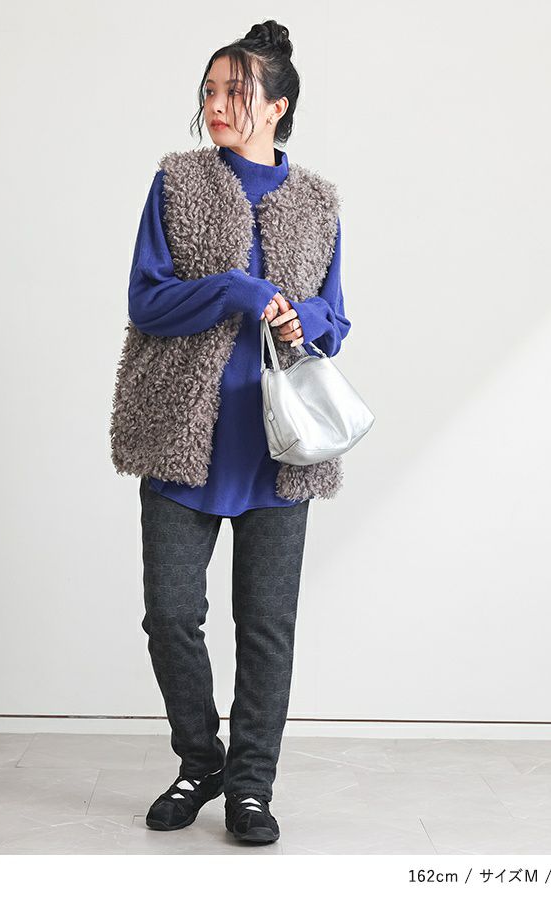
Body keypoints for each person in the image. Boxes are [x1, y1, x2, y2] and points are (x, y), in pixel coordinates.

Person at [109, 19, 351, 845]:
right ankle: (199, 759)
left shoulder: (318, 201)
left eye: (235, 92)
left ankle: (250, 787)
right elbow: (147, 301)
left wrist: (303, 316)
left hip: (280, 452)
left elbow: (336, 317)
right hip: (181, 439)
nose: (216, 104)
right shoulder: (176, 183)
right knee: (170, 615)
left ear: (277, 107)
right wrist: (235, 290)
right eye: (209, 91)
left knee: (267, 629)